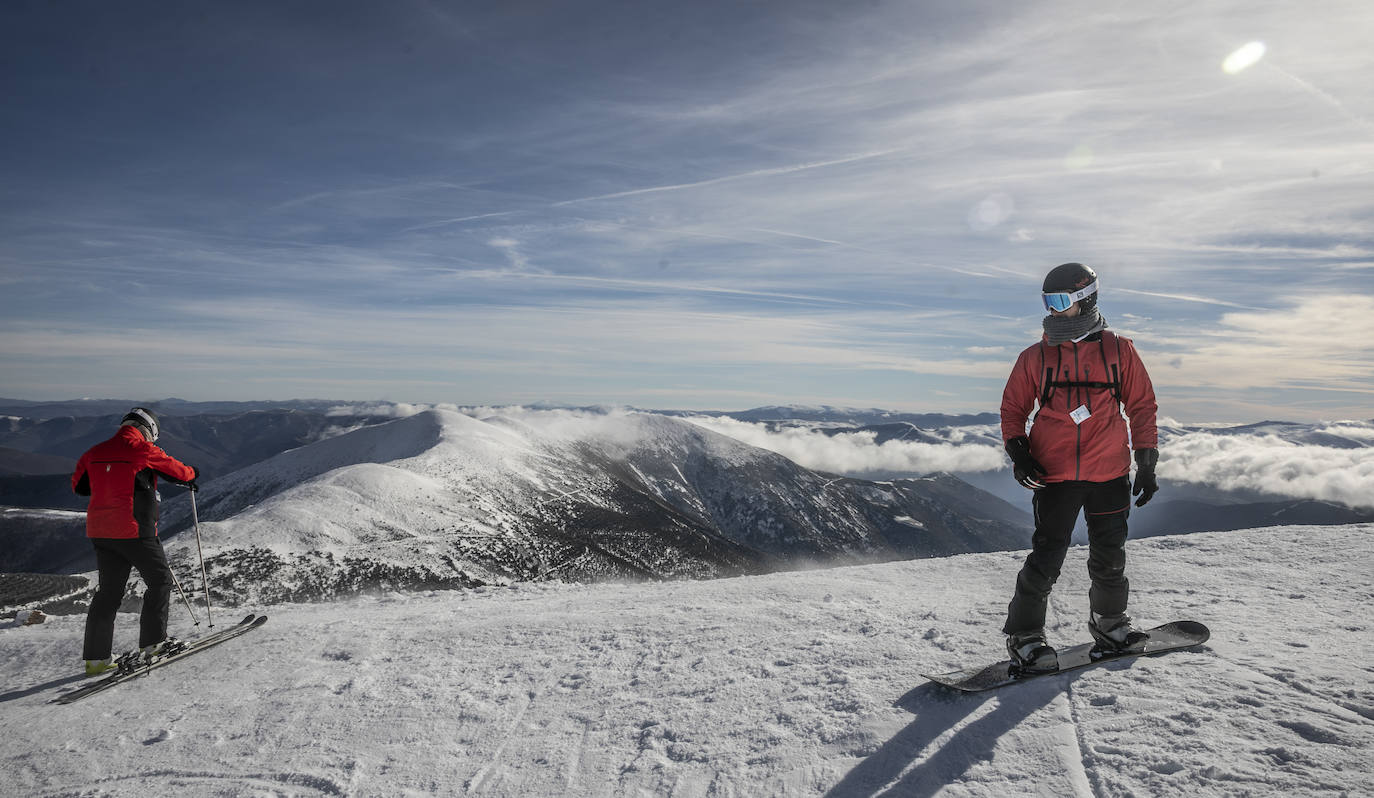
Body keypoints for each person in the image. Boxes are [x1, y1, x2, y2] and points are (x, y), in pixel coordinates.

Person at [998, 263, 1159, 673]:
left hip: (1109, 474)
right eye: (1047, 302)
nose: (1052, 310)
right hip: (1054, 476)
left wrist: (1146, 461)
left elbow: (1141, 406)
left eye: (1060, 301)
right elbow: (1014, 408)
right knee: (1047, 557)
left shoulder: (1119, 351)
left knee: (1110, 558)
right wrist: (1020, 454)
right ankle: (1025, 635)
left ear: (1086, 298)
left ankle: (1110, 624)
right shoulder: (1035, 357)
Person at [71, 407, 199, 675]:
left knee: (108, 594)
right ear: (148, 429)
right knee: (159, 581)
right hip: (134, 530)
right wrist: (193, 474)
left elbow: (80, 487)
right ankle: (154, 644)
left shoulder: (94, 452)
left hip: (100, 532)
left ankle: (96, 660)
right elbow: (180, 472)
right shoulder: (141, 449)